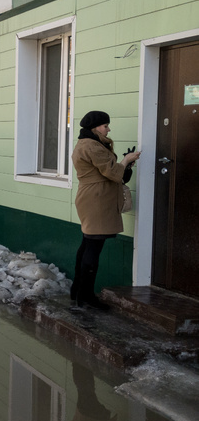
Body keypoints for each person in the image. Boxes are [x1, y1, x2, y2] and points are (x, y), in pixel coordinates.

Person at [70, 111, 141, 310]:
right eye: (105, 125)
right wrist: (126, 161)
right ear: (95, 128)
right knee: (93, 247)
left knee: (87, 243)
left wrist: (126, 166)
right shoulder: (92, 146)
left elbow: (112, 174)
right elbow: (111, 172)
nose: (108, 129)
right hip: (97, 199)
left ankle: (77, 290)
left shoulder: (86, 144)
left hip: (92, 197)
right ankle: (85, 296)